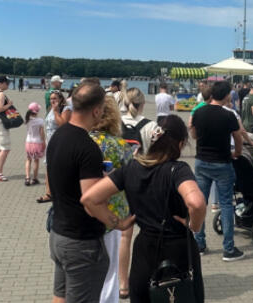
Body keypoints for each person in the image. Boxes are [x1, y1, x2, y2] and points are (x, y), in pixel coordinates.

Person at [82, 115, 206, 303]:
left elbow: (90, 198)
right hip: (179, 249)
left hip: (145, 251)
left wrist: (117, 223)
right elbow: (196, 203)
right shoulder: (178, 170)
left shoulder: (131, 168)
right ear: (180, 143)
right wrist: (194, 225)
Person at [47, 81, 121, 303]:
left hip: (59, 233)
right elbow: (91, 201)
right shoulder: (87, 148)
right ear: (96, 110)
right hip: (81, 241)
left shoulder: (59, 136)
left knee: (60, 296)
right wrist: (116, 222)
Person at [190, 80, 244, 261]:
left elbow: (194, 134)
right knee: (226, 204)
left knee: (200, 204)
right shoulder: (228, 115)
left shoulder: (198, 112)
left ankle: (199, 244)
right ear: (227, 96)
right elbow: (238, 137)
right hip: (222, 162)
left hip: (202, 162)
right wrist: (237, 153)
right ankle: (228, 248)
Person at [90, 98, 136, 302]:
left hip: (83, 212)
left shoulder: (82, 140)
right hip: (114, 214)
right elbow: (131, 179)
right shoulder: (120, 145)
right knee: (109, 271)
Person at [37, 90, 70, 203]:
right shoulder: (50, 109)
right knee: (48, 167)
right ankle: (49, 193)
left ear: (60, 99)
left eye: (55, 98)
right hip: (50, 141)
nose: (52, 101)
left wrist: (56, 111)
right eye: (51, 99)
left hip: (60, 141)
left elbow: (63, 124)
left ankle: (61, 192)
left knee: (60, 168)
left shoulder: (65, 109)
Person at [122, 88, 159, 154]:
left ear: (125, 103)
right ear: (142, 103)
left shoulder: (115, 123)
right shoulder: (152, 125)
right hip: (141, 160)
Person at [24, 102, 45, 186]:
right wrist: (44, 142)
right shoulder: (40, 121)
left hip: (28, 142)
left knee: (28, 159)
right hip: (37, 142)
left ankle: (27, 177)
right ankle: (34, 178)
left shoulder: (27, 120)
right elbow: (42, 133)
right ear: (37, 111)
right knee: (36, 160)